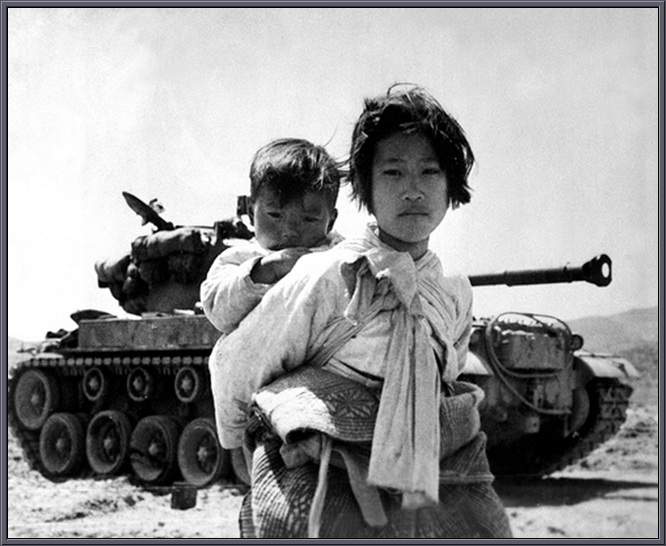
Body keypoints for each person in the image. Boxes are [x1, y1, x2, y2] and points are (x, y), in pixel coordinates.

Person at [208, 84, 513, 538]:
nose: (413, 190)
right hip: (326, 462)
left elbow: (448, 369)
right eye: (393, 172)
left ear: (452, 187)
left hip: (431, 461)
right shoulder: (325, 274)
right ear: (366, 189)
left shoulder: (454, 291)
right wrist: (236, 442)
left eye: (430, 172)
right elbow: (240, 359)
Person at [200, 137, 342, 335]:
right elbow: (218, 312)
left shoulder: (340, 257)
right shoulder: (239, 259)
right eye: (275, 215)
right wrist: (265, 271)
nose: (290, 232)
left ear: (331, 221)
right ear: (251, 211)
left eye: (309, 219)